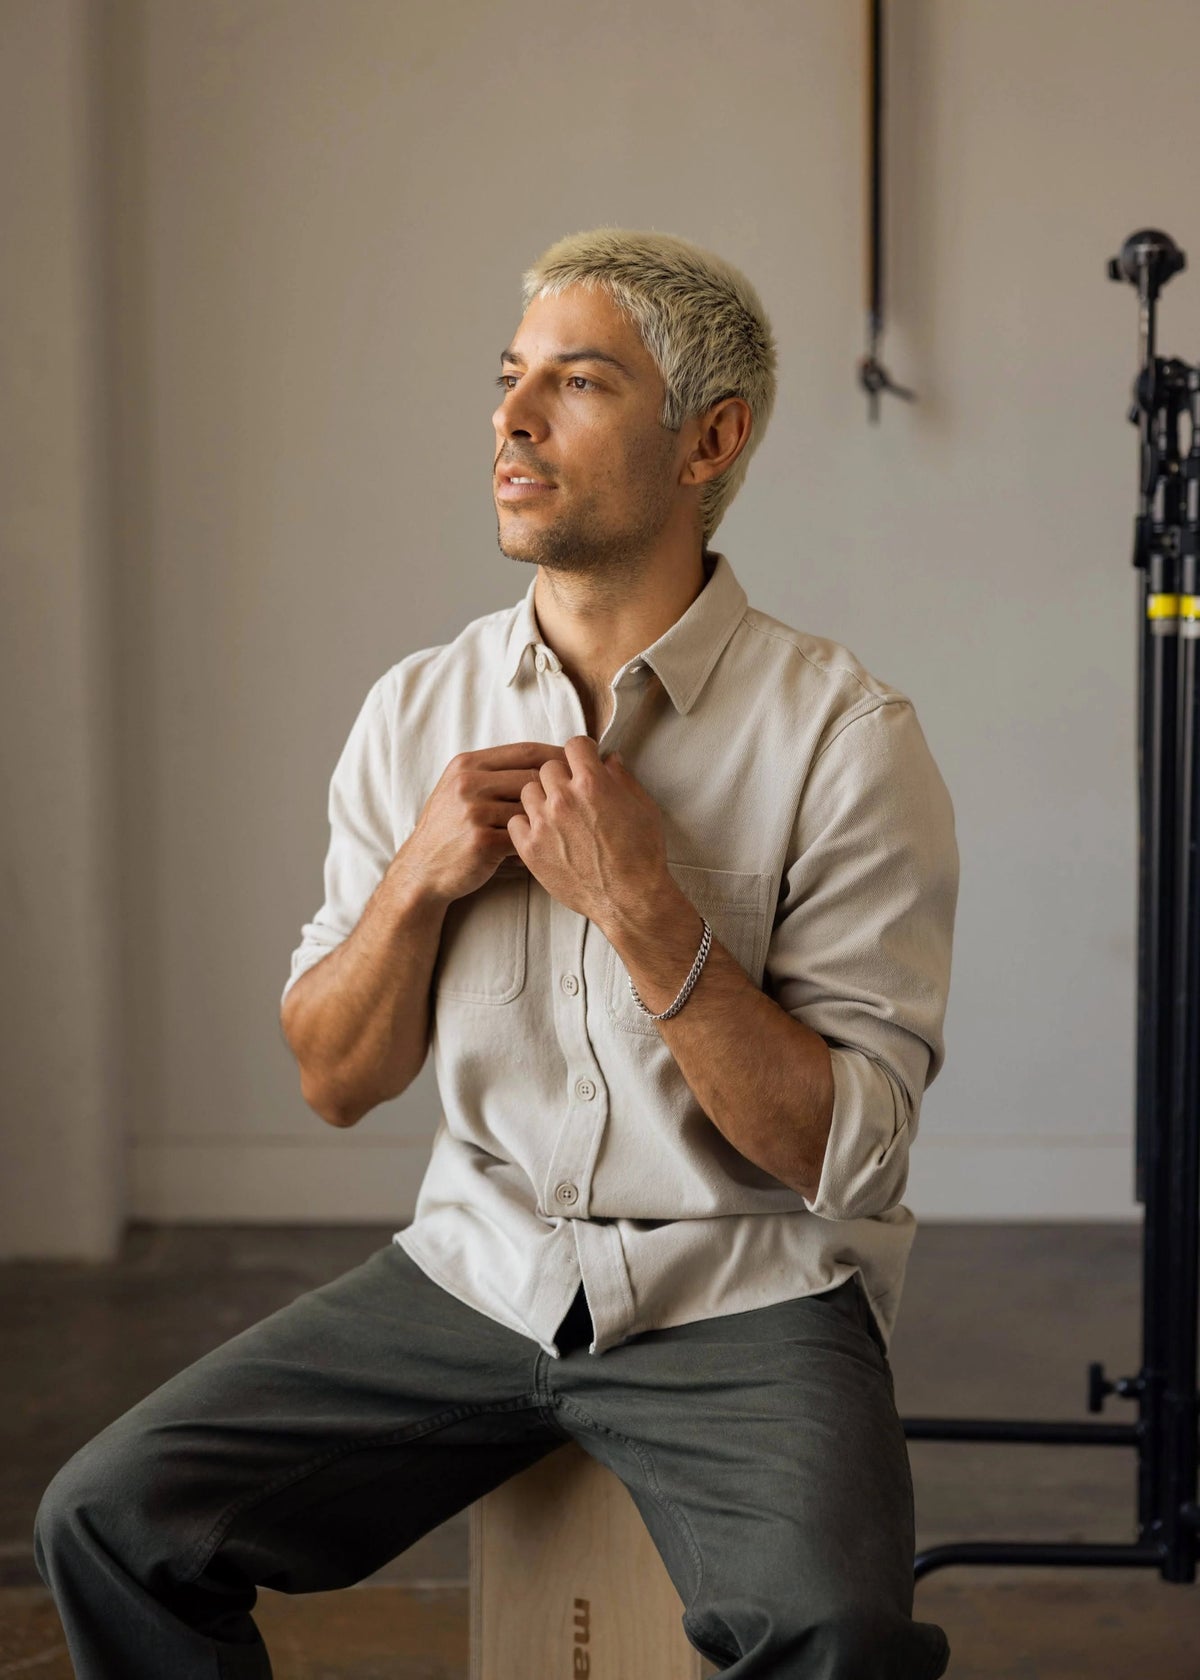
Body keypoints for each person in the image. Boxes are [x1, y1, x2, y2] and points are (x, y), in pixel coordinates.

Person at [34, 227, 958, 1678]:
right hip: (478, 1271)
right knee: (105, 1520)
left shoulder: (845, 738)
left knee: (834, 1629)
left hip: (745, 1294)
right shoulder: (415, 711)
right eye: (509, 377)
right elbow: (336, 1082)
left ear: (709, 440)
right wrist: (417, 883)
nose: (512, 419)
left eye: (576, 383)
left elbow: (844, 1154)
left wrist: (647, 910)